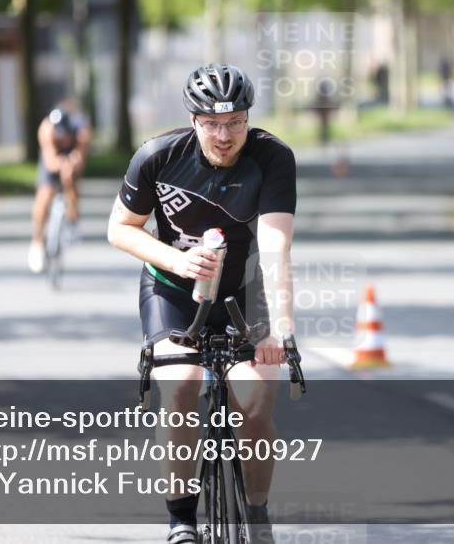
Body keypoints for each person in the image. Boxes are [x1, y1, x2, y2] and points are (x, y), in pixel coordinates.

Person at [107, 64, 296, 544]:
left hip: (245, 291)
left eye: (235, 122)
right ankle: (181, 519)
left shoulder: (272, 157)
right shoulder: (157, 156)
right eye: (212, 123)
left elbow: (274, 246)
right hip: (172, 290)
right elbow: (120, 229)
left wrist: (282, 330)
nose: (225, 134)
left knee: (255, 401)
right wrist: (179, 260)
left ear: (249, 118)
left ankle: (256, 513)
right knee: (182, 385)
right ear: (193, 120)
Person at [27, 100, 91, 274]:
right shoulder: (46, 130)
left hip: (71, 159)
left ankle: (73, 220)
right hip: (53, 160)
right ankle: (37, 241)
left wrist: (72, 164)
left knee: (71, 181)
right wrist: (61, 165)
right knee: (44, 194)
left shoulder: (81, 132)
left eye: (65, 135)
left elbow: (80, 156)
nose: (62, 138)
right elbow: (49, 160)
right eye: (59, 135)